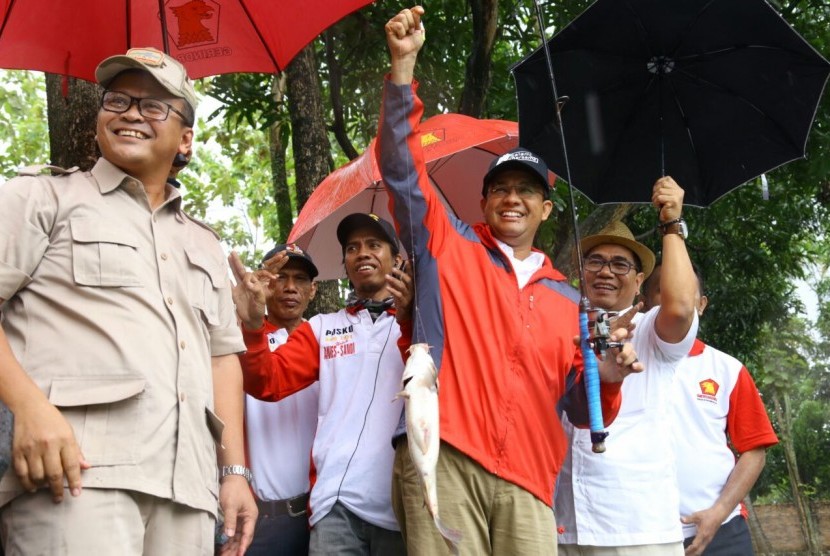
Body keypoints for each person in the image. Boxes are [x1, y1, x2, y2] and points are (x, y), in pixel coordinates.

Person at [380, 7, 643, 554]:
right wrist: (403, 70)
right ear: (483, 201)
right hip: (444, 452)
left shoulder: (569, 300)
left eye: (526, 190)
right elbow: (402, 168)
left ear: (546, 209)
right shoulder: (446, 244)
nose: (512, 198)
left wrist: (611, 375)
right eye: (500, 188)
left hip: (529, 481)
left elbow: (579, 405)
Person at [0, 47, 256, 555]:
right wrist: (28, 409)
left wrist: (234, 472)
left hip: (188, 489)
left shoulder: (204, 243)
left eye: (155, 105)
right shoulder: (42, 200)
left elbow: (222, 359)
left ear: (185, 139)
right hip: (75, 473)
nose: (132, 113)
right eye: (118, 100)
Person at [229, 213, 412, 555]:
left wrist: (411, 314)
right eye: (353, 247)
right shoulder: (323, 328)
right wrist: (253, 327)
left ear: (397, 259)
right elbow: (268, 381)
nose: (362, 253)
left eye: (374, 244)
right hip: (334, 508)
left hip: (401, 507)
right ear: (344, 263)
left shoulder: (419, 321)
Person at [555, 186, 700, 555]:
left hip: (638, 530)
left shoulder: (652, 329)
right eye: (595, 261)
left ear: (638, 282)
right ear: (579, 273)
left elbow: (682, 307)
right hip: (562, 527)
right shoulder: (556, 325)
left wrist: (671, 225)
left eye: (620, 264)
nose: (606, 271)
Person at [643, 263, 778, 556]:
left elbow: (754, 450)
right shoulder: (623, 365)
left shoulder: (727, 369)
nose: (677, 301)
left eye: (686, 292)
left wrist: (719, 512)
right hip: (642, 533)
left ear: (701, 304)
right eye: (665, 291)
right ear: (645, 304)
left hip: (722, 531)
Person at [240, 244, 320, 555]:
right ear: (263, 282)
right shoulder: (240, 338)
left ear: (313, 290)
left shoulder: (326, 339)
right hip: (262, 515)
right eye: (279, 277)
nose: (289, 287)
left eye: (300, 279)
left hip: (321, 513)